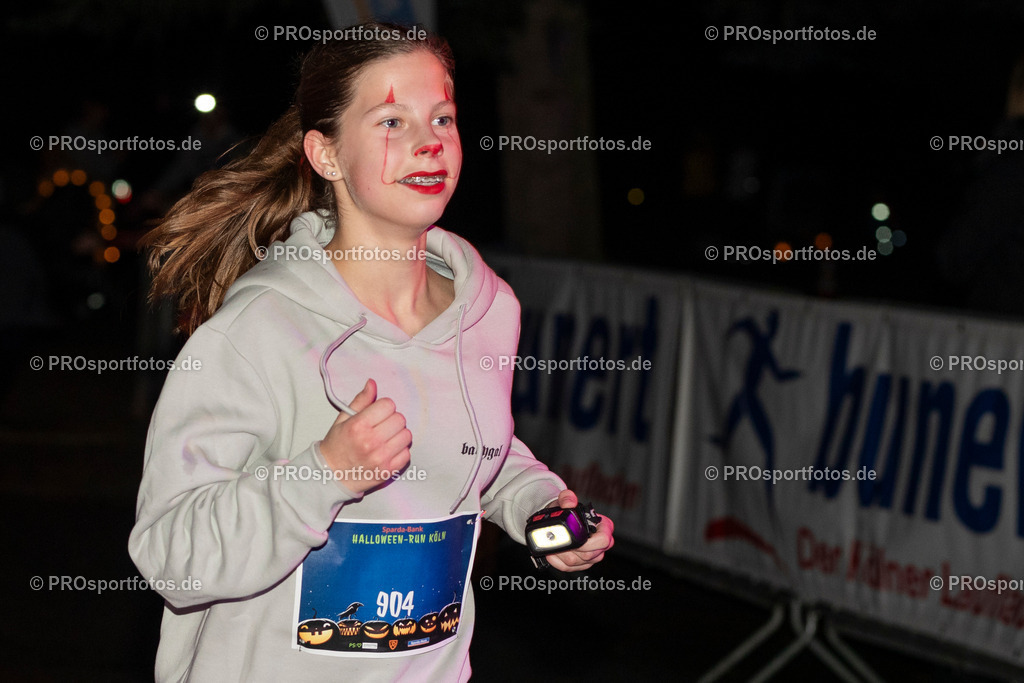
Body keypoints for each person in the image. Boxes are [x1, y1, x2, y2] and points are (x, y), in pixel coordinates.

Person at [128, 22, 614, 682]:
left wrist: (537, 503)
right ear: (326, 155)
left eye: (443, 117)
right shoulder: (257, 331)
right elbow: (170, 555)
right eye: (392, 121)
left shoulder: (490, 311)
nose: (430, 143)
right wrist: (323, 473)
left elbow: (476, 451)